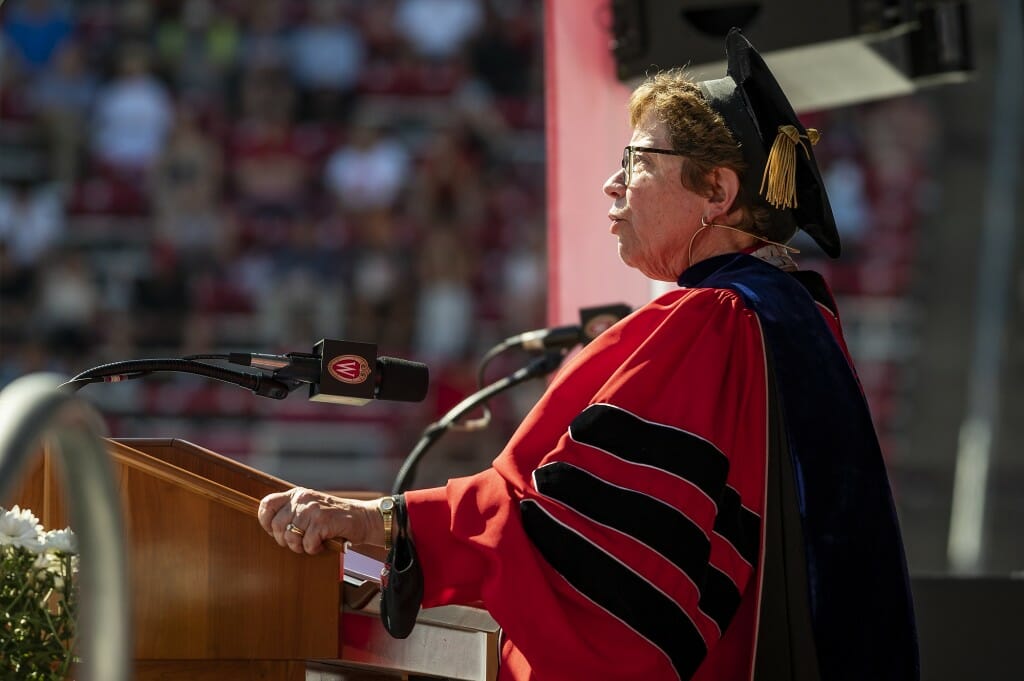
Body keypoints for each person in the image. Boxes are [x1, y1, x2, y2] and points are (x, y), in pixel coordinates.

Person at [258, 29, 919, 681]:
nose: (612, 183)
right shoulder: (796, 318)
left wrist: (378, 522)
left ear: (717, 192)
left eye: (638, 161)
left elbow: (567, 543)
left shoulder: (708, 324)